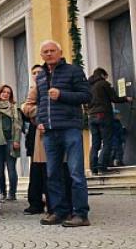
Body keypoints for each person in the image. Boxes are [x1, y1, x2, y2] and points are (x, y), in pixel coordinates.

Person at [33, 41, 92, 227]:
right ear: (41, 55)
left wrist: (62, 95)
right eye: (45, 52)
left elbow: (86, 96)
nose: (49, 54)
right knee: (52, 173)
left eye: (52, 51)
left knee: (76, 173)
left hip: (70, 128)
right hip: (50, 131)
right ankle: (59, 211)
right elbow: (41, 102)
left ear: (60, 52)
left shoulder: (73, 71)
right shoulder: (41, 76)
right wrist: (40, 121)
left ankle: (81, 214)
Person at [87, 67, 132, 174]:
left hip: (91, 116)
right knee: (107, 141)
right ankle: (102, 166)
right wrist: (126, 99)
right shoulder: (103, 84)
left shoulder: (89, 86)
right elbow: (114, 98)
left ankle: (93, 167)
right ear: (103, 75)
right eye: (106, 76)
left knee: (95, 143)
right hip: (103, 115)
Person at [22, 65, 48, 215]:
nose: (37, 75)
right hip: (34, 132)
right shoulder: (33, 91)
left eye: (39, 72)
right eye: (34, 73)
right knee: (36, 170)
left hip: (46, 129)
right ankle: (35, 202)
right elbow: (26, 110)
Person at [0, 85, 22, 201]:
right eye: (3, 92)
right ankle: (1, 192)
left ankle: (12, 193)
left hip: (11, 140)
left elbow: (18, 125)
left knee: (11, 168)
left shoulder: (14, 108)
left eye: (8, 93)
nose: (5, 94)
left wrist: (17, 140)